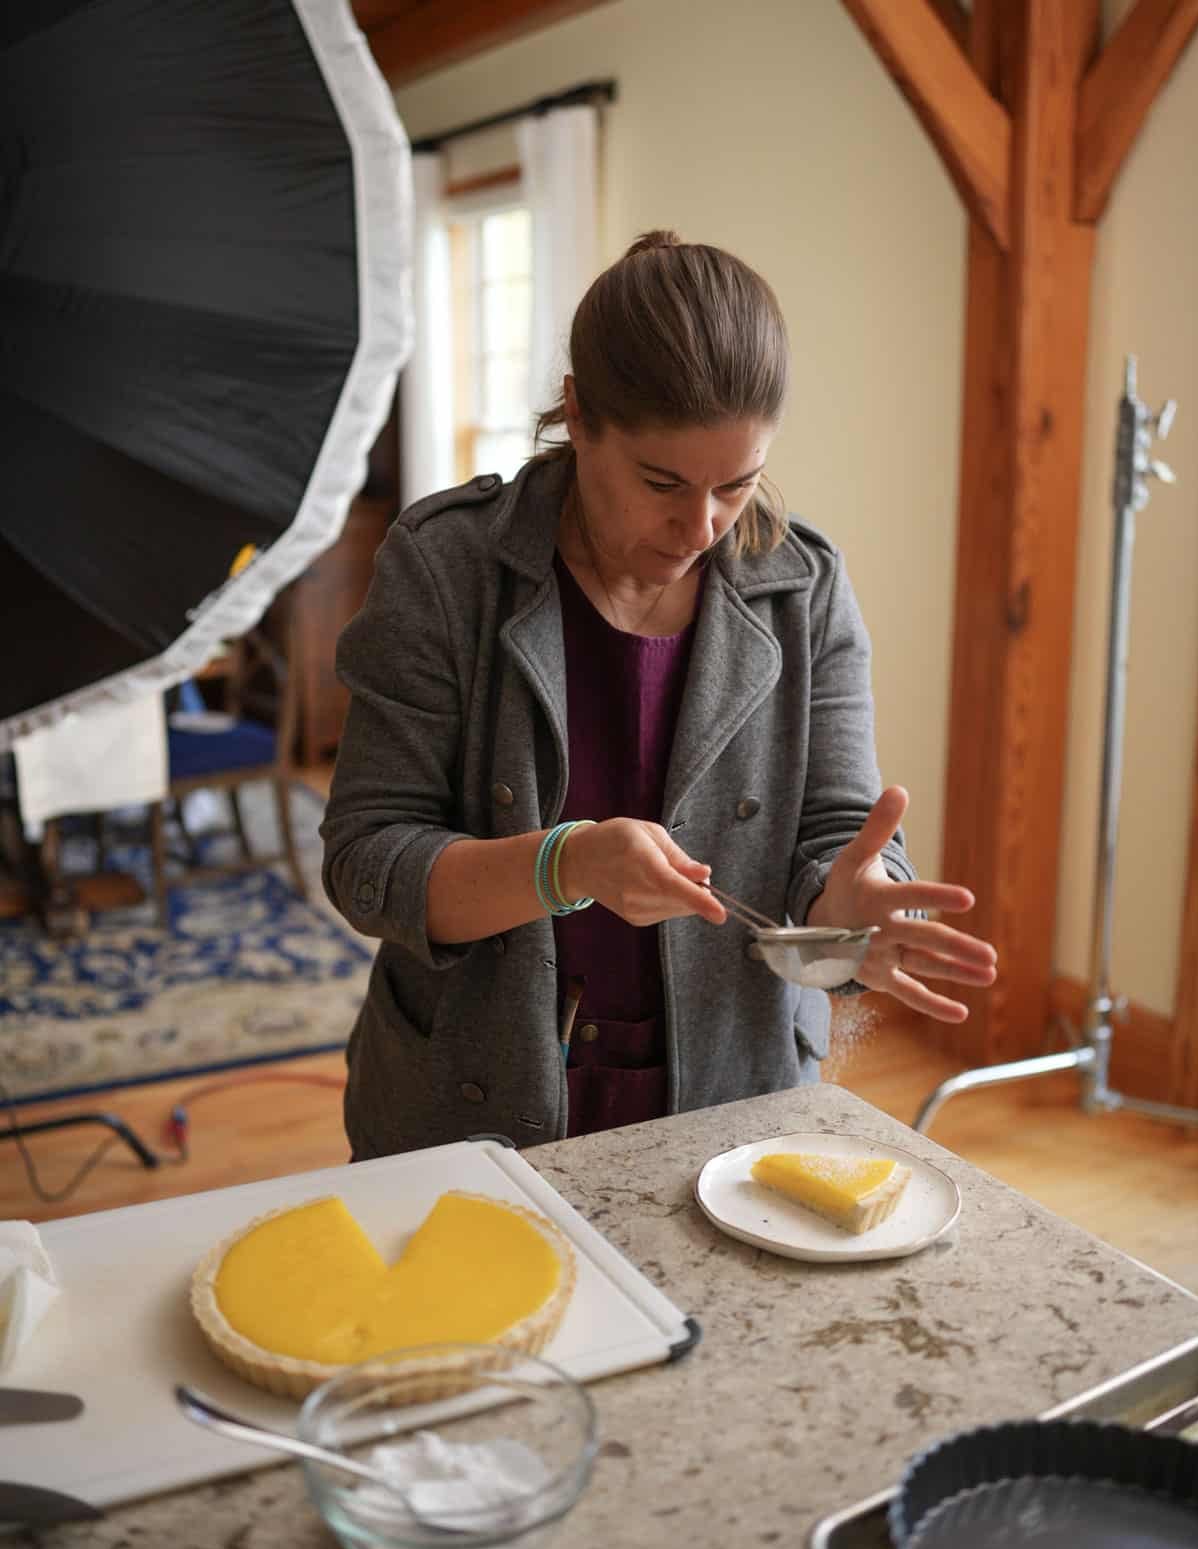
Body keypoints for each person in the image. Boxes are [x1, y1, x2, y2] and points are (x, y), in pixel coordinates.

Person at [321, 230, 997, 1160]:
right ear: (578, 413)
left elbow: (834, 834)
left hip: (735, 1092)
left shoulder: (804, 587)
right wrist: (566, 865)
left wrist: (848, 902)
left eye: (738, 485)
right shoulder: (448, 569)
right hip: (470, 1099)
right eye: (661, 482)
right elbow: (368, 863)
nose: (700, 527)